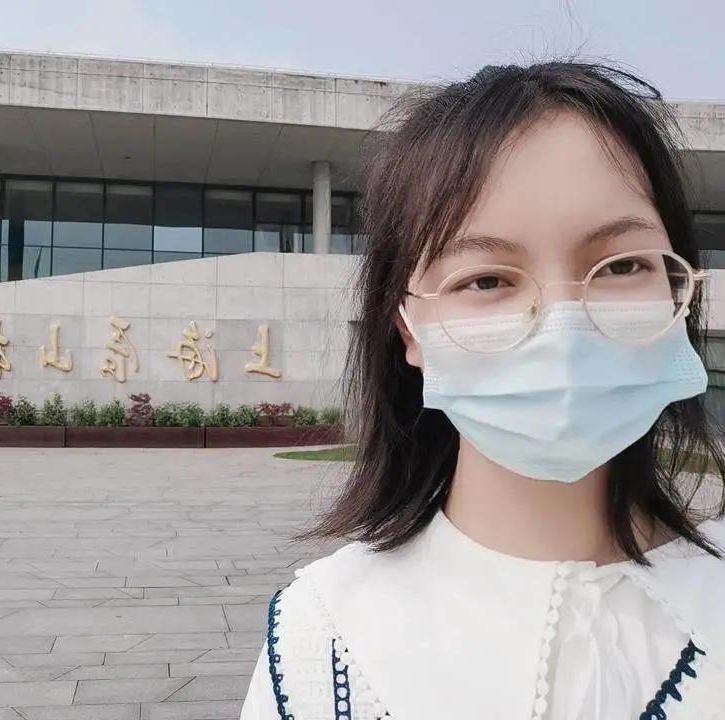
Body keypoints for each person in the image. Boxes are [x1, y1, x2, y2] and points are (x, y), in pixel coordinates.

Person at [240, 62, 725, 720]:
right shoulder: (319, 645)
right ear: (408, 328)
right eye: (487, 280)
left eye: (622, 265)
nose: (564, 328)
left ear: (677, 286)